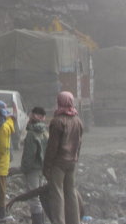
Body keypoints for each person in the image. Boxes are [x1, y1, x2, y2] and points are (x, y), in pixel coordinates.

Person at [43, 91, 83, 224]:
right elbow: (79, 144)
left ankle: (59, 221)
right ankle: (74, 221)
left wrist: (47, 166)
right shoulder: (78, 121)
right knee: (71, 192)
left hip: (59, 163)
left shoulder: (57, 122)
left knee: (57, 193)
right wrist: (76, 158)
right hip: (72, 162)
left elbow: (52, 147)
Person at [21, 107, 49, 224]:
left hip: (33, 169)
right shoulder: (45, 132)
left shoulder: (31, 134)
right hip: (42, 169)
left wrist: (23, 169)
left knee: (34, 199)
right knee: (40, 197)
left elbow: (29, 155)